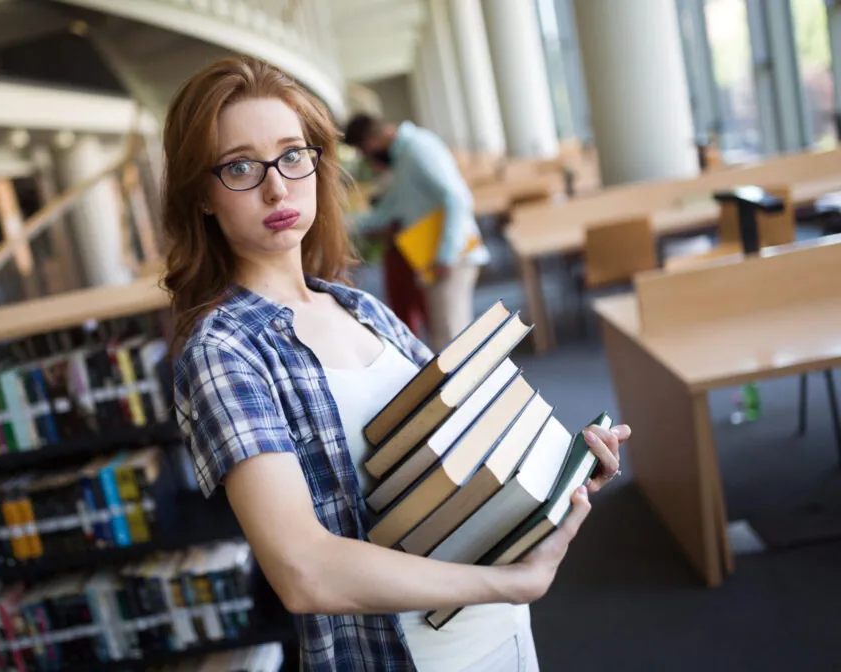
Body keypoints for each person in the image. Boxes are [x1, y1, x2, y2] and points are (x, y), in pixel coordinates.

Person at [164, 55, 630, 671]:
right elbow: (304, 572)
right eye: (241, 167)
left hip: (503, 637)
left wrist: (560, 475)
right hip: (402, 656)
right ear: (202, 193)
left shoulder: (361, 307)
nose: (277, 186)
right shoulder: (224, 351)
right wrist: (509, 583)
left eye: (292, 155)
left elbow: (461, 452)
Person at [343, 114, 490, 353]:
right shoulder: (402, 160)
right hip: (431, 257)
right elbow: (386, 212)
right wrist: (336, 223)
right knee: (447, 337)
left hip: (451, 257)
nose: (368, 159)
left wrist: (446, 255)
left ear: (373, 139)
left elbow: (456, 198)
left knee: (453, 342)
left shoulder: (417, 149)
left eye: (365, 150)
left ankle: (474, 391)